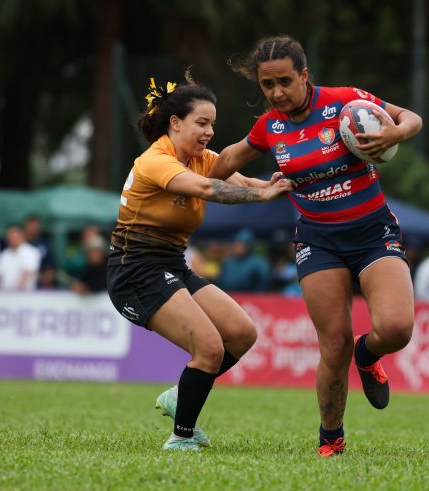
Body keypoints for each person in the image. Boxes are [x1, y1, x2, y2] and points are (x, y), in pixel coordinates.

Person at [209, 35, 423, 457]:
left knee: (396, 329)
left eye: (285, 82)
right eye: (267, 85)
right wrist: (190, 170)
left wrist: (396, 132)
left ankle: (369, 353)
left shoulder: (344, 102)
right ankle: (331, 438)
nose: (276, 93)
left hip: (372, 230)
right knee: (333, 344)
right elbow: (221, 165)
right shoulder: (268, 127)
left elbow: (411, 117)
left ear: (304, 75)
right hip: (318, 240)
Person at [107, 75, 292, 451]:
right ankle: (181, 438)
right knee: (208, 347)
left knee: (241, 333)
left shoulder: (199, 158)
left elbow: (240, 178)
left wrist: (275, 183)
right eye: (202, 123)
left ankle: (180, 395)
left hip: (171, 264)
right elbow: (208, 188)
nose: (210, 131)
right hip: (134, 269)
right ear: (176, 123)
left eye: (212, 124)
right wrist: (261, 198)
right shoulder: (154, 161)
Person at [0, 224, 41, 292]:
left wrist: (20, 285)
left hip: (25, 294)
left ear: (22, 236)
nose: (12, 238)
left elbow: (27, 271)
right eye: (10, 236)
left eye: (15, 236)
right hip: (6, 295)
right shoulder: (4, 255)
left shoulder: (32, 252)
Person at [23, 214, 55, 288]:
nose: (33, 229)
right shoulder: (21, 245)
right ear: (25, 227)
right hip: (21, 284)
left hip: (40, 286)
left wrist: (39, 278)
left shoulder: (45, 245)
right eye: (30, 226)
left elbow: (50, 271)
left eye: (35, 226)